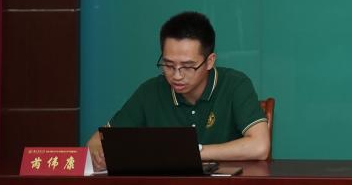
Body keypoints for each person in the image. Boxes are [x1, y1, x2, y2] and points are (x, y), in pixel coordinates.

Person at [85, 11, 270, 170]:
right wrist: (99, 156)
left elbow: (260, 146)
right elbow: (95, 142)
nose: (176, 75)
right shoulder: (151, 91)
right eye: (168, 65)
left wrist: (192, 152)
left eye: (187, 66)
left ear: (210, 61)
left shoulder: (235, 84)